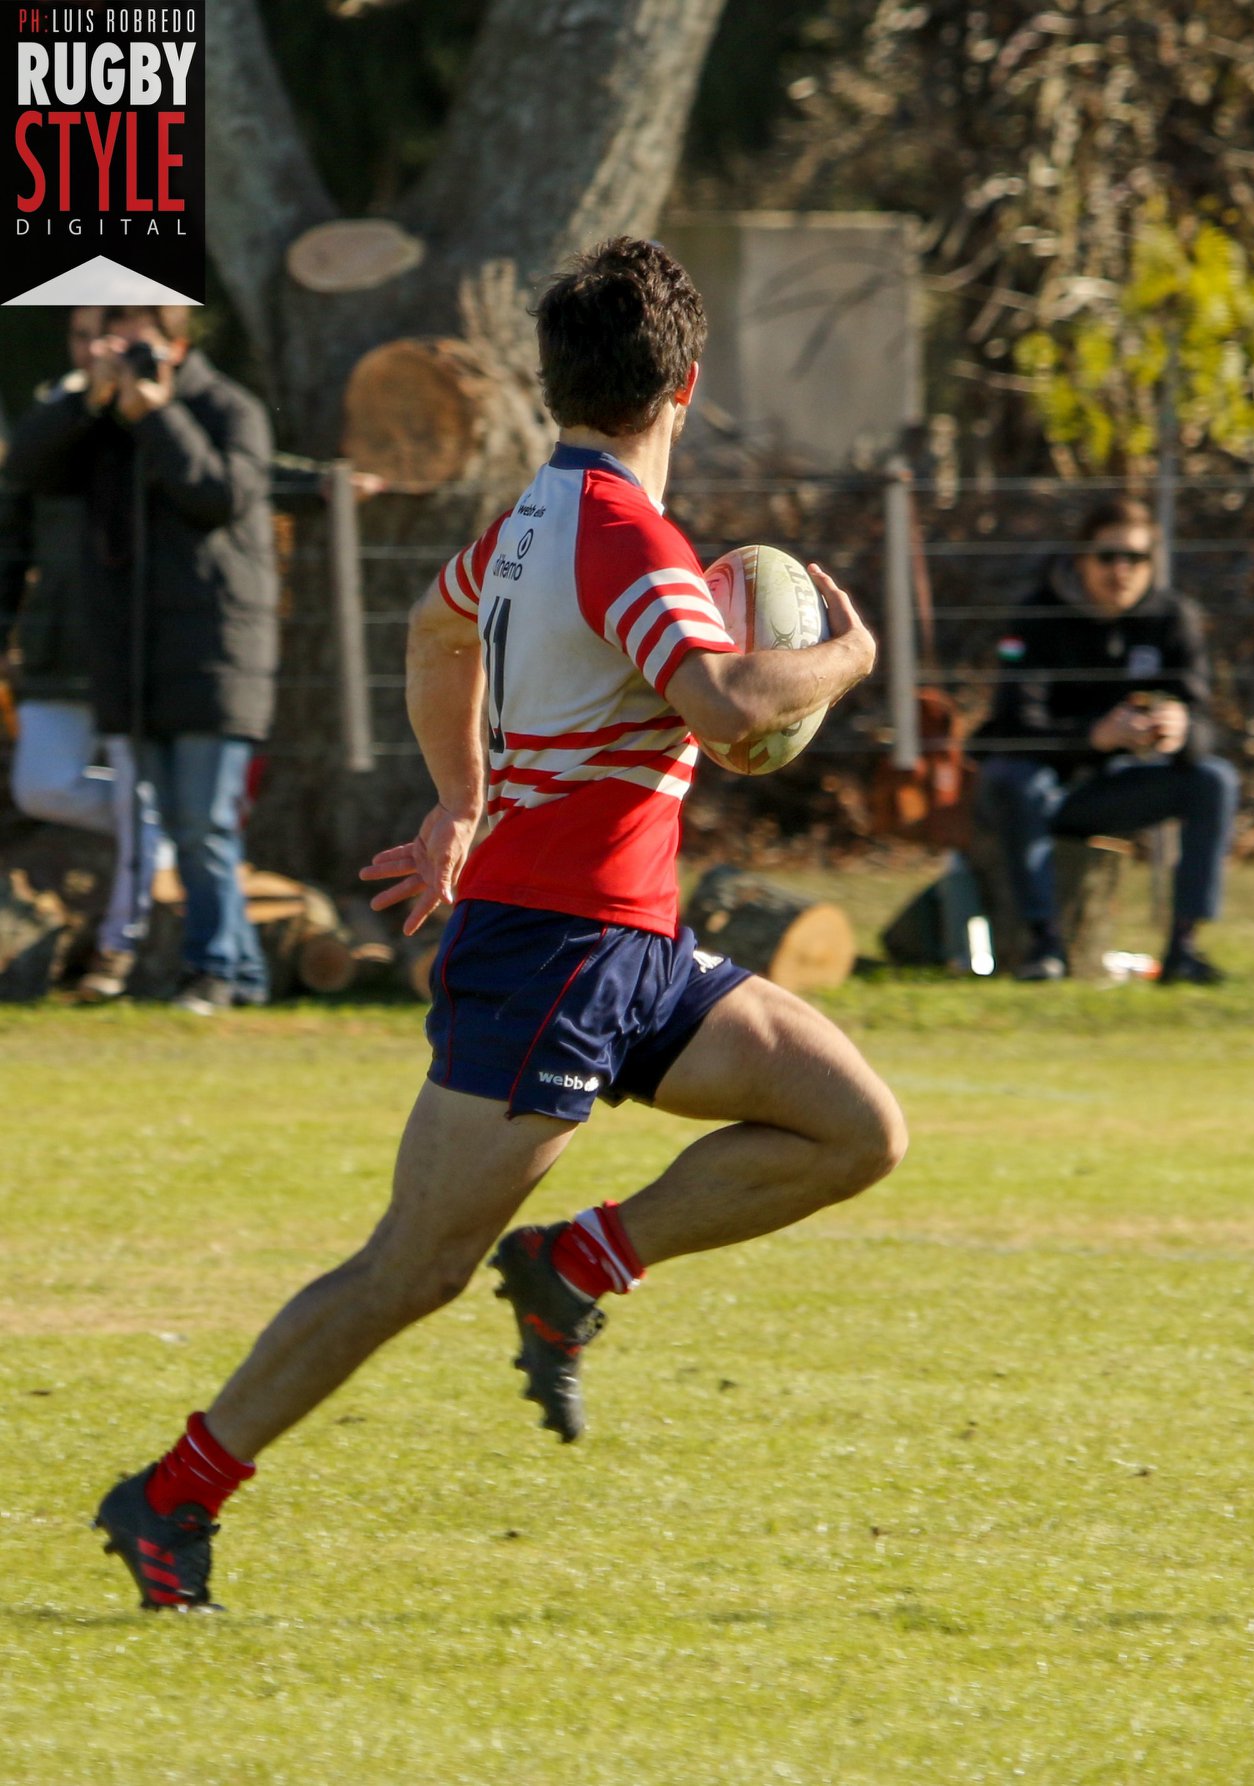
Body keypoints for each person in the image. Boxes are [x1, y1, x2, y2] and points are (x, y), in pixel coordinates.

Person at [90, 236, 907, 1612]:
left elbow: (430, 630)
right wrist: (844, 655)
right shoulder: (619, 535)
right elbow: (717, 702)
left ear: (552, 384)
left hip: (630, 945)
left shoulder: (532, 518)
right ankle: (172, 1492)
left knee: (854, 1125)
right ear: (686, 386)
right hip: (545, 952)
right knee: (408, 1266)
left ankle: (575, 1262)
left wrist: (459, 801)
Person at [6, 305, 278, 1013]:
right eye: (102, 341)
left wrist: (158, 413)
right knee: (172, 822)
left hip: (216, 652)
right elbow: (30, 466)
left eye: (129, 340)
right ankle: (239, 972)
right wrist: (85, 403)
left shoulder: (227, 407)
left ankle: (212, 971)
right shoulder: (99, 421)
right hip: (132, 653)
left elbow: (217, 495)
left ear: (176, 341)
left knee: (201, 823)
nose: (113, 353)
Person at [973, 496, 1239, 984]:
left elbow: (1205, 720)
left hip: (1112, 792)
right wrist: (1092, 737)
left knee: (1214, 779)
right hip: (1039, 789)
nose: (1121, 570)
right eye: (1108, 556)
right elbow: (1010, 727)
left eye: (1135, 558)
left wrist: (1182, 730)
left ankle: (1183, 947)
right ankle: (1043, 944)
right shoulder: (1038, 616)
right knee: (1013, 777)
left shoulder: (1171, 618)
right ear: (1081, 559)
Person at [0, 307, 165, 1002]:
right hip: (55, 642)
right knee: (40, 783)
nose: (99, 349)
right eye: (84, 337)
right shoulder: (54, 417)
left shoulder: (170, 411)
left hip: (140, 643)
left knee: (139, 794)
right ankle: (170, 824)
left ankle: (117, 951)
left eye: (116, 335)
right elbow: (16, 502)